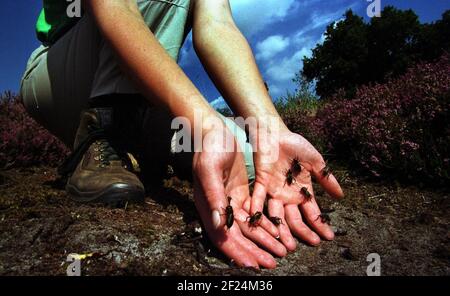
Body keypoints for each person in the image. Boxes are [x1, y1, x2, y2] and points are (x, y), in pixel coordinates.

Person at [20, 0, 344, 269]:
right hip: (65, 73)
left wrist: (268, 131)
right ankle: (102, 132)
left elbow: (217, 28)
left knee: (247, 164)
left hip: (142, 92)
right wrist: (204, 126)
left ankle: (139, 150)